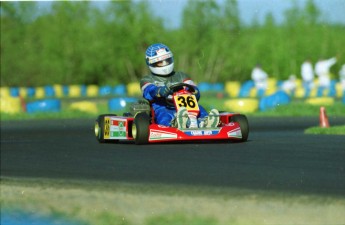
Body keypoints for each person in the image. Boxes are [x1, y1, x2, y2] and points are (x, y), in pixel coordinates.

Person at [140, 43, 219, 129]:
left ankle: (205, 122)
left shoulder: (181, 76)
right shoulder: (147, 79)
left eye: (167, 60)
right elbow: (149, 91)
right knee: (164, 115)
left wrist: (195, 91)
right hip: (163, 106)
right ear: (151, 63)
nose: (165, 64)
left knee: (200, 109)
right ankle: (175, 124)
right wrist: (159, 91)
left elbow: (194, 88)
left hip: (187, 106)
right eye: (160, 62)